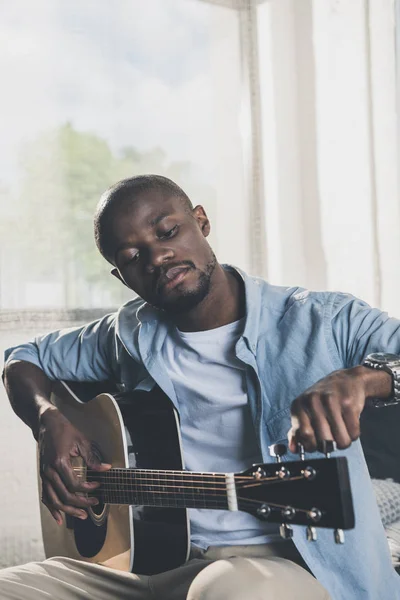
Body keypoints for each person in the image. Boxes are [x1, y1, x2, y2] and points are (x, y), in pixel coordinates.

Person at [2, 174, 400, 600]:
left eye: (167, 232)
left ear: (201, 221)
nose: (158, 257)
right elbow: (21, 358)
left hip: (274, 565)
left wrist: (368, 377)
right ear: (122, 277)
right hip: (140, 563)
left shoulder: (323, 320)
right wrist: (47, 420)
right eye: (134, 255)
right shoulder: (125, 333)